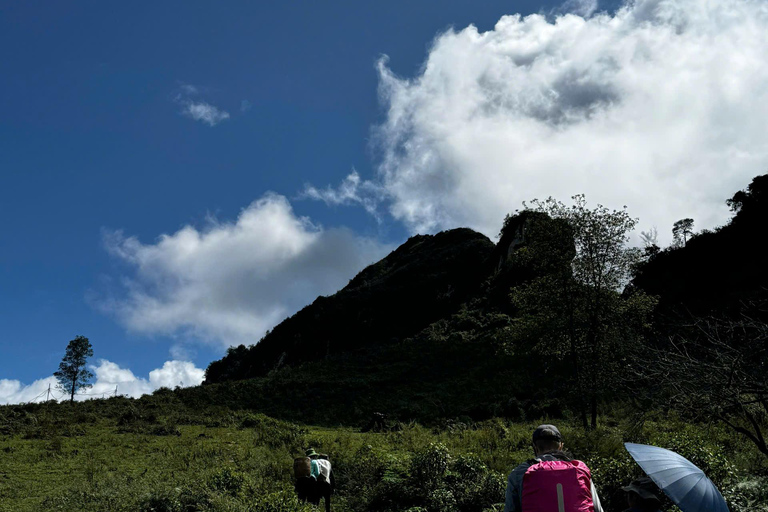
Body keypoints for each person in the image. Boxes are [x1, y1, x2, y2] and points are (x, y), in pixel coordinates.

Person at [504, 424, 604, 512]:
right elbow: (598, 509)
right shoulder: (580, 469)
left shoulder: (519, 473)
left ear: (534, 447)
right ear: (561, 447)